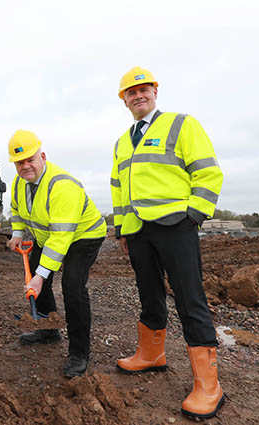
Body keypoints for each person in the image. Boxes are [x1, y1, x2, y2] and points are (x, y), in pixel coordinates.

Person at [110, 66, 224, 419]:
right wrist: (122, 230)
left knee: (190, 298)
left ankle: (209, 385)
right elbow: (119, 191)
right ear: (124, 100)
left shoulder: (181, 124)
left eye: (143, 89)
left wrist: (194, 216)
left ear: (155, 92)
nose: (138, 95)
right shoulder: (121, 142)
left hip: (176, 225)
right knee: (149, 293)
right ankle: (151, 355)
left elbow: (208, 171)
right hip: (139, 231)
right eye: (131, 92)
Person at [6, 130, 106, 378]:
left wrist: (40, 275)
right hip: (49, 236)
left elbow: (62, 237)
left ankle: (79, 352)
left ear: (43, 156)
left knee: (72, 285)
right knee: (38, 274)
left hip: (82, 236)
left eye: (31, 159)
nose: (25, 166)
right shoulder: (20, 182)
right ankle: (49, 329)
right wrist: (18, 234)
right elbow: (16, 209)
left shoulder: (62, 185)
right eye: (20, 162)